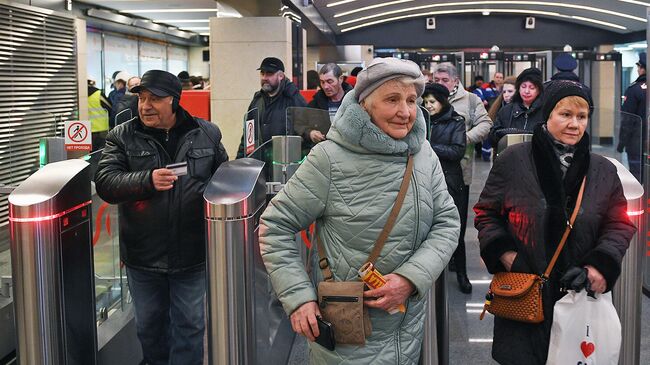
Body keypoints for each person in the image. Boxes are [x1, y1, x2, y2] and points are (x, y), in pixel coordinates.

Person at [259, 57, 459, 363]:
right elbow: (275, 226)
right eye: (392, 99)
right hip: (348, 329)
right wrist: (298, 298)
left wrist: (409, 279)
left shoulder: (422, 154)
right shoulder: (329, 158)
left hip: (407, 322)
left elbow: (446, 222)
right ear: (364, 104)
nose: (406, 112)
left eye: (411, 100)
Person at [474, 80, 635, 365]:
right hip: (525, 294)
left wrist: (600, 264)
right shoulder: (513, 161)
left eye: (582, 116)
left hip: (580, 299)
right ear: (547, 115)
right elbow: (487, 213)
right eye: (565, 114)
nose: (574, 124)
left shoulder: (603, 170)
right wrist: (509, 257)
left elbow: (618, 224)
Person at [95, 69, 229, 365]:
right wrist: (146, 180)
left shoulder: (207, 133)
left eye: (154, 98)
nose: (145, 105)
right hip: (144, 255)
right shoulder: (122, 136)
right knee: (150, 328)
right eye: (142, 98)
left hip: (192, 253)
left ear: (174, 100)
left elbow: (224, 179)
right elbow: (105, 181)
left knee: (191, 326)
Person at [433, 62, 492, 291]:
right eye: (436, 80)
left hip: (460, 169)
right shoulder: (427, 99)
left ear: (455, 81)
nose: (440, 84)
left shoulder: (470, 100)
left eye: (444, 80)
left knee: (457, 222)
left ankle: (461, 271)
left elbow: (486, 123)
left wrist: (463, 138)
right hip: (431, 170)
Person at [422, 83, 469, 293]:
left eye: (432, 102)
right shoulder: (421, 120)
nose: (428, 106)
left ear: (442, 102)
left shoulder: (456, 121)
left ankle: (462, 274)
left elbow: (457, 151)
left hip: (450, 180)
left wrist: (428, 146)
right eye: (425, 102)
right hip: (426, 180)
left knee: (455, 230)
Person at [236, 57, 307, 158]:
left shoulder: (294, 99)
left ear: (281, 76)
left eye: (269, 73)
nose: (264, 77)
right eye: (262, 73)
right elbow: (248, 137)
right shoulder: (257, 100)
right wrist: (240, 161)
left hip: (284, 165)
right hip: (260, 165)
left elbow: (306, 133)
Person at [490, 68, 544, 146]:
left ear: (539, 90)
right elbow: (493, 139)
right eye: (523, 87)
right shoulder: (506, 111)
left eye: (532, 88)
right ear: (518, 88)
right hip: (510, 155)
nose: (526, 91)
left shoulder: (546, 111)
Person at [304, 63, 353, 144]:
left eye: (330, 81)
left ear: (340, 79)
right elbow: (301, 124)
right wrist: (310, 133)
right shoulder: (315, 104)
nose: (325, 86)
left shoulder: (355, 101)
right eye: (322, 82)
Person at [618, 51, 646, 181]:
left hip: (637, 141)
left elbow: (627, 119)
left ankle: (641, 201)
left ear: (642, 68)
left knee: (637, 175)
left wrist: (621, 142)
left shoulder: (634, 89)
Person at [87, 79, 111, 151]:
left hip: (85, 130)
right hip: (102, 130)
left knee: (88, 154)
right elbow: (109, 107)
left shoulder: (78, 95)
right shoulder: (98, 94)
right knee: (103, 153)